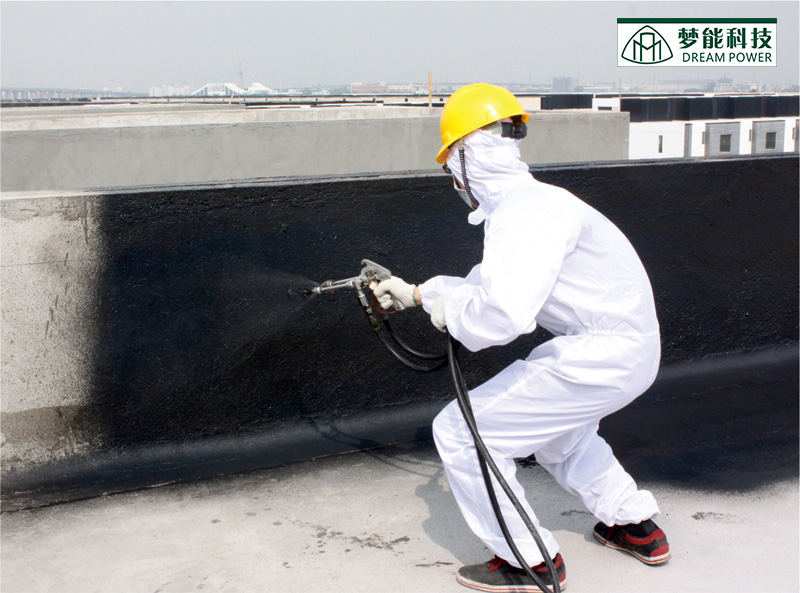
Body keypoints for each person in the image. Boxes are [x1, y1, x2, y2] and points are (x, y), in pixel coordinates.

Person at [371, 83, 670, 592]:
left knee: (462, 433)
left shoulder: (522, 213)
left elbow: (503, 313)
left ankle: (528, 561)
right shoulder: (537, 202)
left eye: (450, 167)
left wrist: (448, 314)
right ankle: (635, 525)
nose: (453, 180)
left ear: (464, 157)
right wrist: (417, 294)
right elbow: (491, 284)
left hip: (599, 355)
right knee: (560, 433)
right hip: (624, 352)